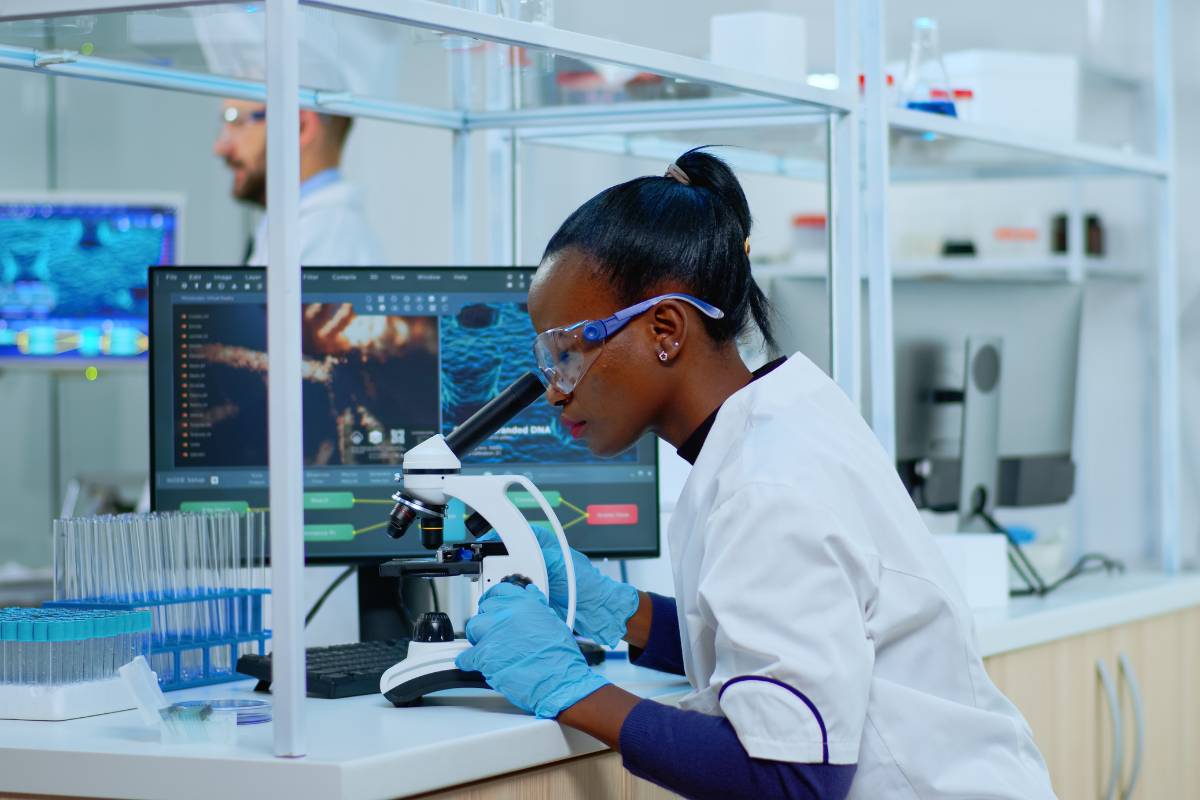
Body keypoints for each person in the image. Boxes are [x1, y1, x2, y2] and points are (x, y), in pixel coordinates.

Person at [454, 149, 1057, 799]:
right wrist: (621, 612)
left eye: (566, 353)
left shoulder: (766, 487)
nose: (554, 390)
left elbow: (792, 779)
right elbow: (772, 652)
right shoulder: (774, 423)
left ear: (664, 330)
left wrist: (567, 689)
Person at [213, 99, 382, 267]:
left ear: (299, 126)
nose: (220, 148)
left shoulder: (327, 245)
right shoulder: (304, 229)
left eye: (236, 121)